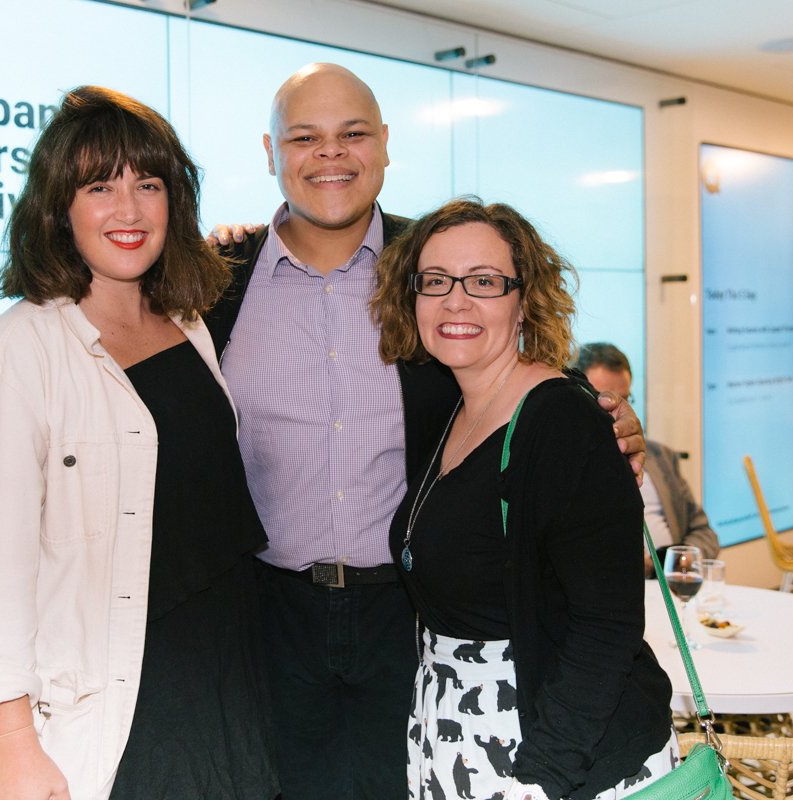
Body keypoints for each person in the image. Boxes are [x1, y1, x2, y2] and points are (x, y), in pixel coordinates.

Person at [205, 63, 648, 800]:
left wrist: (606, 420)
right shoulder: (218, 276)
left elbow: (520, 377)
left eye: (352, 134)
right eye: (305, 137)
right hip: (270, 615)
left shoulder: (433, 266)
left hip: (415, 613)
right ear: (270, 150)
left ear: (383, 145)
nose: (331, 155)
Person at [0, 86, 277, 800]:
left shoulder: (189, 323)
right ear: (60, 207)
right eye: (99, 186)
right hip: (114, 708)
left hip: (225, 680)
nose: (129, 210)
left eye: (148, 184)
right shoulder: (19, 349)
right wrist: (15, 747)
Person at [370, 197, 674, 800]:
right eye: (435, 282)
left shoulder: (561, 418)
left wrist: (543, 778)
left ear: (524, 297)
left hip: (552, 756)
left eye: (484, 281)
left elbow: (605, 625)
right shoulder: (454, 406)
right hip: (461, 738)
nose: (456, 301)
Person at [575, 342, 720, 576]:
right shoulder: (569, 471)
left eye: (624, 400)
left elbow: (704, 532)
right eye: (603, 401)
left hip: (671, 585)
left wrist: (671, 563)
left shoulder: (661, 457)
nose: (616, 414)